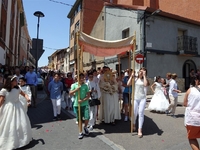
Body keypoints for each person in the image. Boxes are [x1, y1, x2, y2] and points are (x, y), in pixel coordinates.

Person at [0, 75, 32, 149]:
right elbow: (1, 101)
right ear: (10, 82)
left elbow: (24, 94)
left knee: (20, 124)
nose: (16, 81)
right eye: (14, 80)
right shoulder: (4, 90)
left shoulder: (17, 89)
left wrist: (27, 99)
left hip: (18, 107)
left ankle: (20, 140)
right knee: (8, 124)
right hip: (8, 108)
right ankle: (8, 141)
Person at [127, 67, 148, 138]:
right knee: (134, 113)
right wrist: (131, 76)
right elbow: (128, 84)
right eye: (140, 71)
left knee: (141, 113)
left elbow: (145, 85)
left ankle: (140, 129)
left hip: (142, 98)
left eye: (143, 72)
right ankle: (133, 124)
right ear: (138, 72)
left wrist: (144, 76)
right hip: (135, 98)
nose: (141, 73)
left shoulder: (145, 80)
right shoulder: (135, 79)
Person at [70, 73, 90, 139]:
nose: (81, 79)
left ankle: (85, 127)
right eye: (80, 78)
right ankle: (80, 131)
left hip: (85, 104)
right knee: (79, 119)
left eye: (82, 77)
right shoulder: (74, 85)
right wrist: (76, 89)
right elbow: (70, 93)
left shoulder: (85, 86)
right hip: (77, 104)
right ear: (77, 78)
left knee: (87, 117)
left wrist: (82, 100)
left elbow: (88, 96)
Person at [183, 76, 200, 150]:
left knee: (192, 138)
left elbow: (185, 103)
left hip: (193, 119)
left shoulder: (190, 90)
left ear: (197, 80)